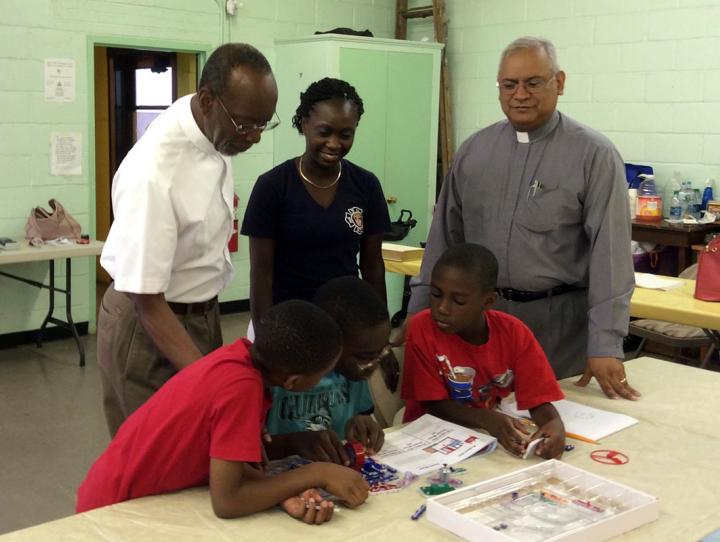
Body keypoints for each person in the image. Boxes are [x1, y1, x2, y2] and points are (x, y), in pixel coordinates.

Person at [406, 36, 639, 401]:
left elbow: (610, 258)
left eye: (533, 83)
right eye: (509, 85)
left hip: (558, 329)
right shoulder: (474, 153)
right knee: (483, 428)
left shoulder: (594, 155)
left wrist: (605, 343)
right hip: (479, 327)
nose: (520, 95)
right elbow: (443, 244)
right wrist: (416, 321)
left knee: (557, 430)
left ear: (558, 83)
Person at [97, 43, 279, 435]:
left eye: (264, 124)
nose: (255, 138)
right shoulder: (154, 172)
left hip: (198, 311)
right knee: (152, 458)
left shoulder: (215, 127)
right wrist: (210, 380)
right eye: (247, 125)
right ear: (209, 100)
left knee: (203, 441)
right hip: (146, 323)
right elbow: (147, 300)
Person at [77, 301, 369, 523]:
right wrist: (317, 473)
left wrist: (293, 446)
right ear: (293, 381)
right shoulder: (241, 390)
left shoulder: (240, 359)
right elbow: (227, 502)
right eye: (323, 373)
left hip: (122, 493)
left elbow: (232, 461)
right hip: (112, 510)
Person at [401, 243, 566, 459]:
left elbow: (538, 398)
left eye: (458, 301)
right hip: (430, 437)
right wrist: (487, 419)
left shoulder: (514, 332)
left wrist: (553, 423)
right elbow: (433, 405)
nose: (442, 308)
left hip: (485, 435)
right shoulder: (422, 328)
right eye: (435, 294)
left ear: (487, 301)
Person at [265, 276, 391, 464]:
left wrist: (359, 424)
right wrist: (293, 443)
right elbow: (249, 449)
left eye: (380, 353)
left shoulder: (354, 373)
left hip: (335, 470)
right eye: (364, 357)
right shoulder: (279, 373)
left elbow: (358, 416)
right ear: (328, 340)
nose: (371, 366)